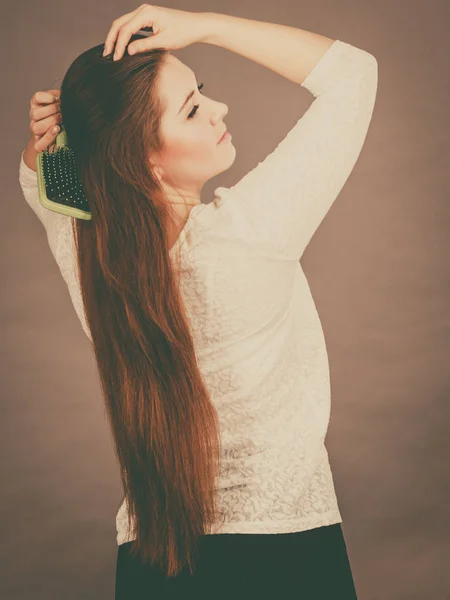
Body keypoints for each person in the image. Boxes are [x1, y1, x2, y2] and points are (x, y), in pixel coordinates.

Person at [19, 6, 378, 599]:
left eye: (202, 94)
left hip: (150, 562)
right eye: (192, 108)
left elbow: (39, 185)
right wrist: (205, 25)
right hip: (287, 558)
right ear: (144, 159)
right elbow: (354, 75)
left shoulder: (92, 263)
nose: (220, 110)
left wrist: (53, 137)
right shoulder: (252, 232)